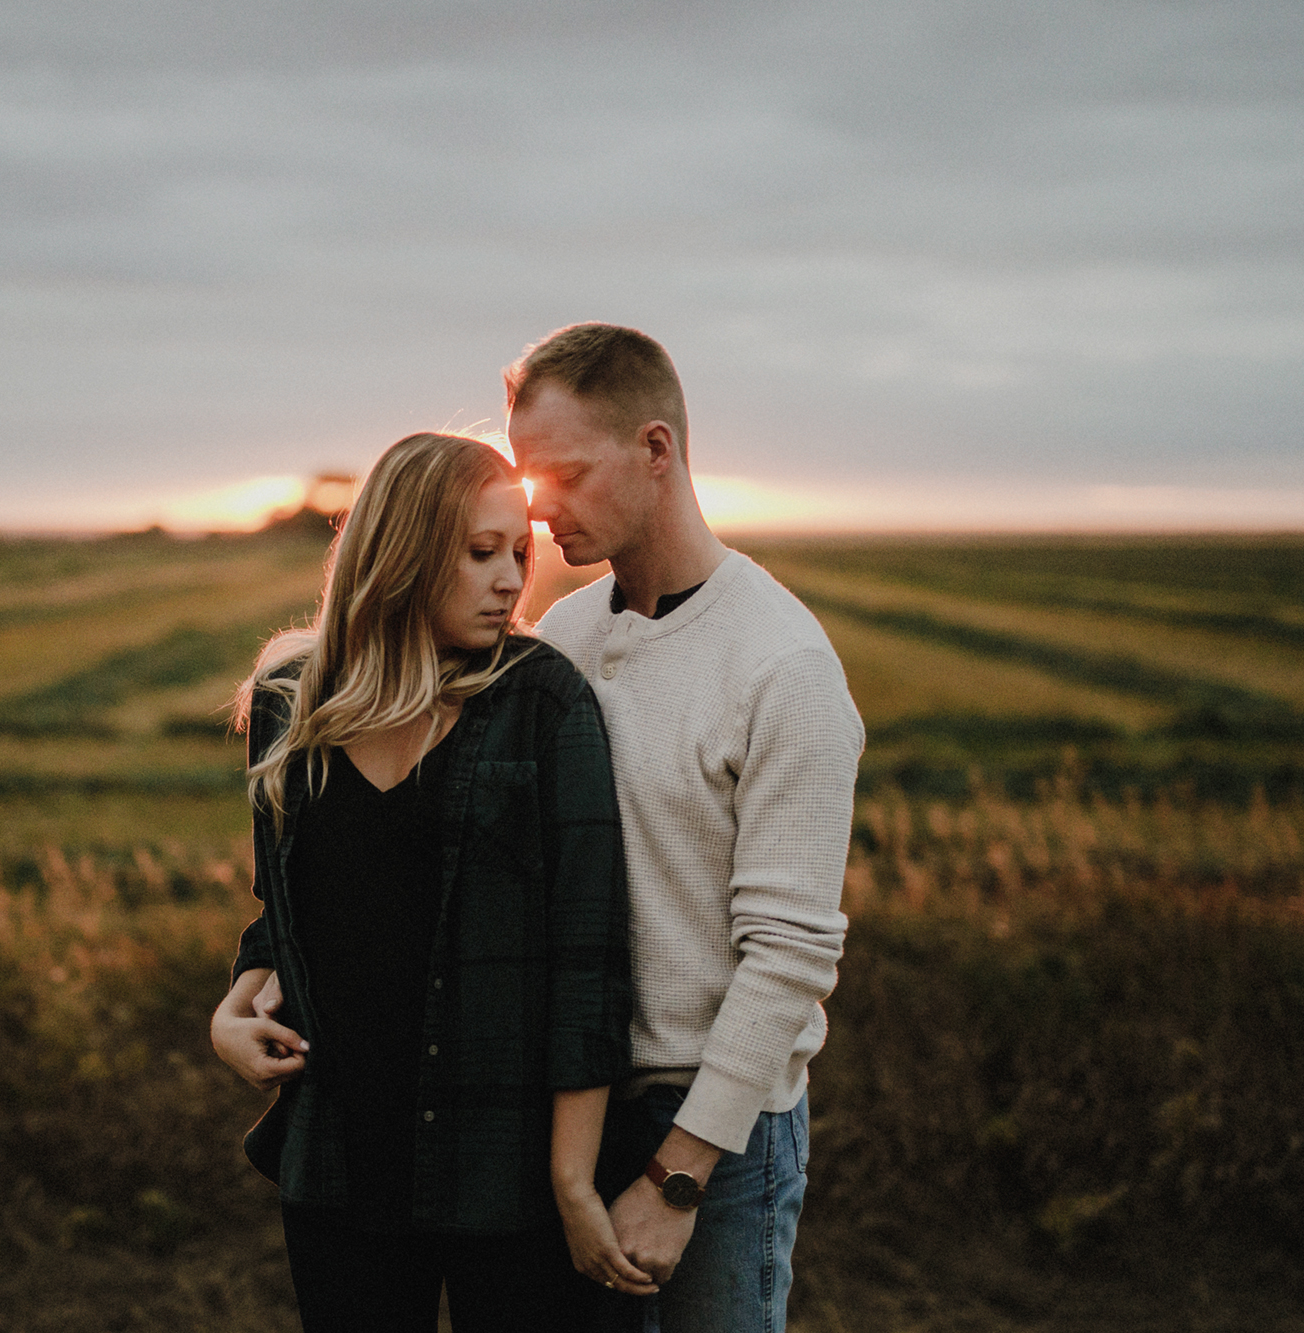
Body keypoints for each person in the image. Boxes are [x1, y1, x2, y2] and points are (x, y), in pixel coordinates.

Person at [209, 431, 647, 1332]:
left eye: (518, 552)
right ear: (401, 549)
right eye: (480, 552)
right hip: (339, 1160)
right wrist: (231, 1015)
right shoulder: (291, 700)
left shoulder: (544, 703)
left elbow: (589, 956)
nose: (510, 580)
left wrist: (573, 1178)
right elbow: (284, 912)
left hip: (507, 1169)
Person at [504, 324, 864, 1333]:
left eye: (564, 472)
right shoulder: (558, 642)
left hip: (718, 1131)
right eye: (526, 479)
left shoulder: (781, 666)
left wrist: (677, 1174)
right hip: (568, 1108)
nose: (538, 508)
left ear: (654, 450)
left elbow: (787, 953)